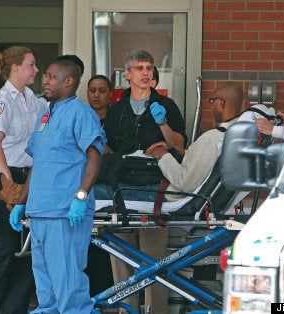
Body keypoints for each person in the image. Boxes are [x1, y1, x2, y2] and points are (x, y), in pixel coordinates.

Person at [94, 50, 187, 314]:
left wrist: (164, 125)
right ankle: (126, 308)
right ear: (128, 75)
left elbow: (180, 146)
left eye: (149, 67)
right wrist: (99, 142)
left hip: (153, 185)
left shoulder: (166, 106)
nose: (145, 73)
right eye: (139, 68)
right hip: (120, 186)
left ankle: (154, 310)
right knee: (120, 255)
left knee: (154, 257)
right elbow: (108, 148)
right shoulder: (116, 109)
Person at [8, 56, 103, 313]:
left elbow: (95, 158)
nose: (45, 81)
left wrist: (80, 198)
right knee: (45, 284)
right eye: (45, 76)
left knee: (68, 282)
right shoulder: (45, 115)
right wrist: (20, 203)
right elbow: (38, 164)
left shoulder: (81, 113)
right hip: (39, 210)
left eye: (51, 76)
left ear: (69, 81)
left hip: (64, 211)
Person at [0, 46, 45, 314]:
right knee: (3, 253)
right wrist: (8, 184)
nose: (36, 70)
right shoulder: (0, 101)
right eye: (31, 64)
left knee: (26, 256)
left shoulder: (34, 100)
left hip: (29, 180)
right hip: (4, 180)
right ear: (15, 67)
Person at [145, 81, 243, 201]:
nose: (211, 106)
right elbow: (203, 160)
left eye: (213, 101)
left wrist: (163, 155)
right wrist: (177, 150)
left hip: (172, 197)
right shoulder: (237, 134)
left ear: (221, 103)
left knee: (116, 190)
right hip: (207, 197)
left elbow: (185, 183)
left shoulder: (212, 138)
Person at [84, 74, 115, 297]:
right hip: (84, 182)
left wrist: (106, 147)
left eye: (102, 90)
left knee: (107, 247)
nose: (96, 95)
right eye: (92, 90)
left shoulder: (116, 119)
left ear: (110, 93)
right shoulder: (82, 117)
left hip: (109, 185)